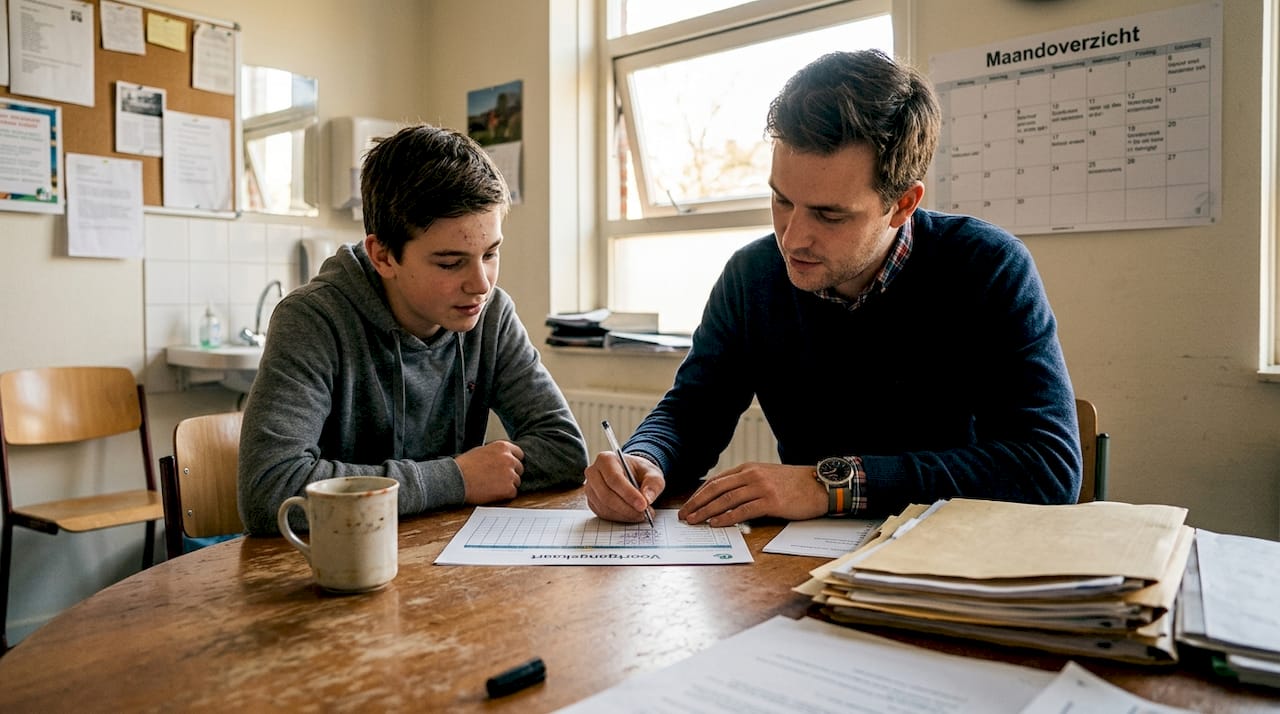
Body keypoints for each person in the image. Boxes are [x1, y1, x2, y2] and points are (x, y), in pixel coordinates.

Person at [584, 50, 1081, 527]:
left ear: (903, 204)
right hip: (800, 566)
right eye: (781, 200)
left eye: (829, 214)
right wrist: (645, 457)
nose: (792, 238)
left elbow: (1048, 466)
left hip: (950, 560)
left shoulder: (986, 266)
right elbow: (694, 411)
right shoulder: (751, 276)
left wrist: (832, 485)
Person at [239, 124, 588, 535]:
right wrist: (455, 479)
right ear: (383, 256)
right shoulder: (312, 321)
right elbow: (269, 491)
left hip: (440, 557)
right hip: (331, 566)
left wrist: (462, 481)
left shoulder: (491, 314)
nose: (481, 284)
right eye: (449, 262)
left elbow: (564, 451)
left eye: (490, 253)